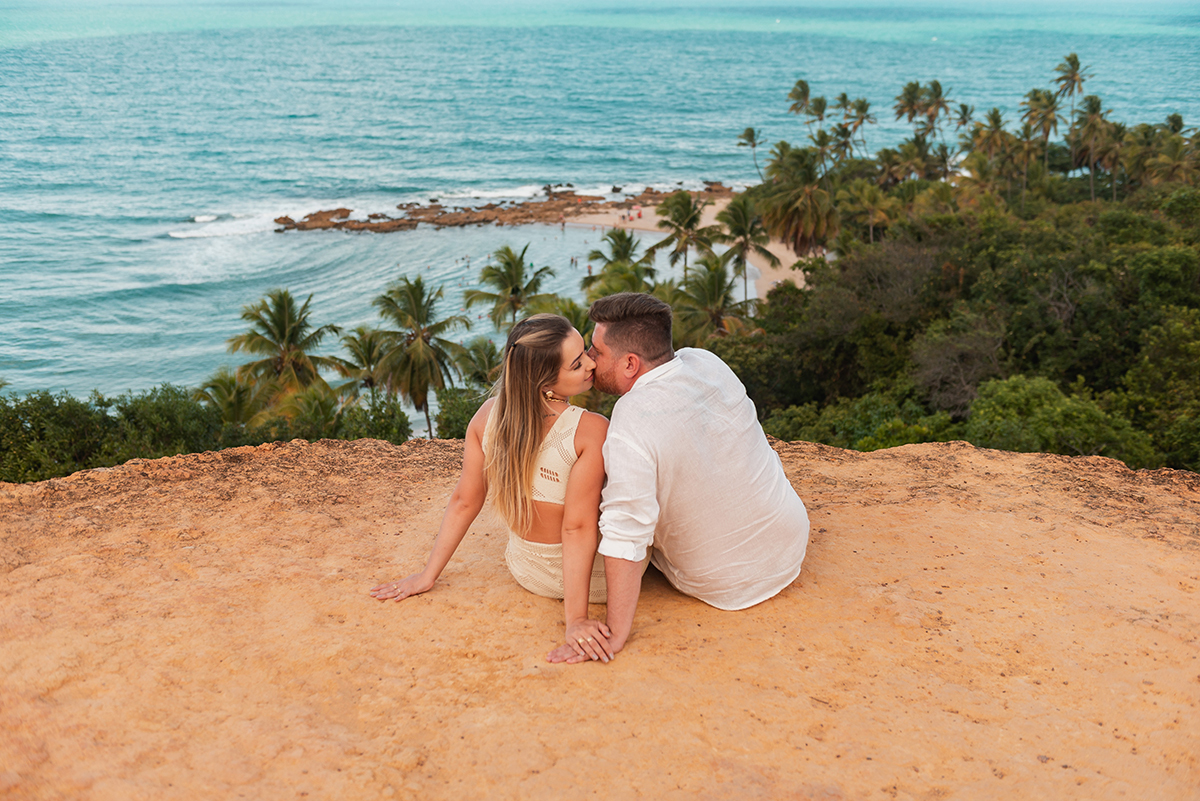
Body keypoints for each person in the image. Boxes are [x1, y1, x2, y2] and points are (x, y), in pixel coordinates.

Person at [549, 292, 809, 664]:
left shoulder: (631, 419)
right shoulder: (706, 361)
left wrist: (616, 633)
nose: (589, 359)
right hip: (790, 541)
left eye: (597, 351)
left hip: (722, 582)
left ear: (630, 363)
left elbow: (626, 533)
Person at [370, 314, 618, 663]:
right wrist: (575, 619)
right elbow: (576, 528)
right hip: (594, 580)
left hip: (526, 570)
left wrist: (428, 576)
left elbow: (464, 500)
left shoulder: (487, 417)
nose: (591, 363)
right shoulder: (591, 429)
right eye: (577, 364)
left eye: (585, 353)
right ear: (545, 381)